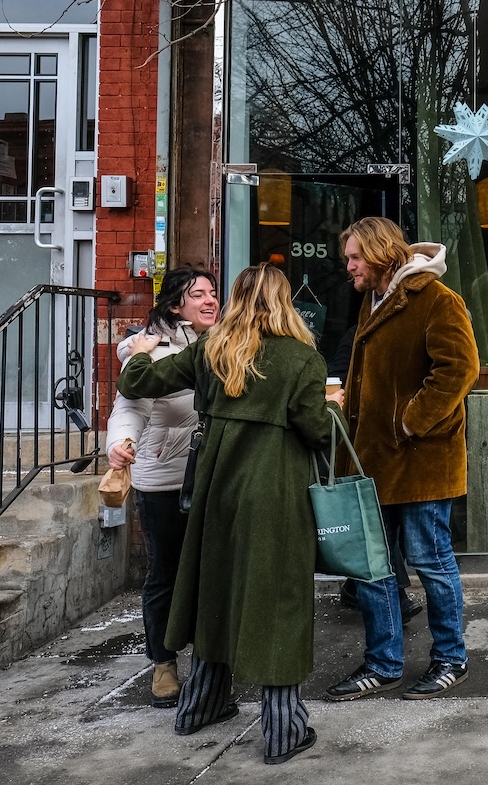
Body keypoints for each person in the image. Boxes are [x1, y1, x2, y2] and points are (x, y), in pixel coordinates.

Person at [118, 264, 334, 765]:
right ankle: (283, 729)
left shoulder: (210, 349)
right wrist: (336, 410)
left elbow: (139, 383)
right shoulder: (302, 358)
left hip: (216, 492)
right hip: (276, 493)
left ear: (237, 300)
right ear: (285, 303)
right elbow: (316, 430)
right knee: (279, 596)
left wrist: (139, 353)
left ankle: (201, 705)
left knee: (215, 589)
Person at [327, 217, 480, 702]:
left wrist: (408, 423)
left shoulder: (437, 299)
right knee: (374, 568)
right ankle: (383, 664)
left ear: (379, 254)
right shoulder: (373, 300)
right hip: (373, 463)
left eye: (354, 257)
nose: (347, 265)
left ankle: (451, 660)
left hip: (421, 462)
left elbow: (460, 370)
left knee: (431, 562)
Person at [105, 268, 218, 709]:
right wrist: (118, 445)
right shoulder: (148, 350)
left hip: (210, 476)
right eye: (198, 295)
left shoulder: (222, 341)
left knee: (211, 570)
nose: (210, 301)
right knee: (165, 574)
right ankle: (164, 663)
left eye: (212, 293)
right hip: (163, 480)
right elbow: (128, 408)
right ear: (176, 305)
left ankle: (210, 657)